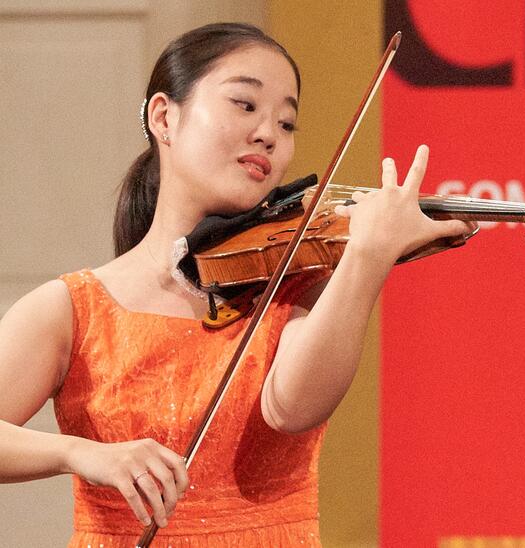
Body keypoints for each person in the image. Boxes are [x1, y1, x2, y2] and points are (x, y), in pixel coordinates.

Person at [0, 22, 469, 547]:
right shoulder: (72, 309)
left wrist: (366, 259)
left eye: (287, 122)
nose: (269, 133)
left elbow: (291, 409)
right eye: (245, 105)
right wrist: (80, 454)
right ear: (164, 117)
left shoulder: (291, 282)